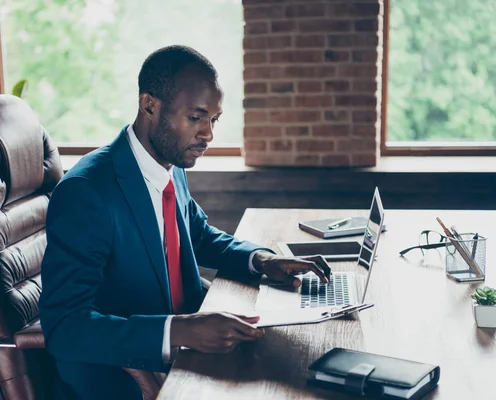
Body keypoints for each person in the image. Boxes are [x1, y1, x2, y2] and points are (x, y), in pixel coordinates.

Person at [39, 45, 331, 399]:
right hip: (125, 378)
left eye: (214, 120)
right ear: (149, 105)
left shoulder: (168, 165)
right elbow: (65, 328)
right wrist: (178, 331)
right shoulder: (86, 193)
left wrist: (263, 261)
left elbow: (198, 235)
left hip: (188, 353)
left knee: (303, 363)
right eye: (196, 118)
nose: (208, 134)